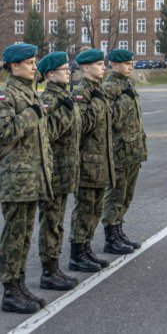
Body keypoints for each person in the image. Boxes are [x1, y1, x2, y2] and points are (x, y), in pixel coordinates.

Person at [0, 43, 53, 313]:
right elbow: (3, 135)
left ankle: (21, 286)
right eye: (29, 62)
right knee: (14, 235)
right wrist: (30, 114)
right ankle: (10, 291)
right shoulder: (5, 96)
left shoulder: (28, 93)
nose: (35, 67)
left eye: (35, 62)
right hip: (16, 179)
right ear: (14, 66)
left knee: (24, 236)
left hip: (31, 178)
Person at [36, 52, 80, 291]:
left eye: (67, 69)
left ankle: (54, 268)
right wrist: (64, 111)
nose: (68, 72)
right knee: (51, 221)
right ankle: (49, 270)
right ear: (51, 75)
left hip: (64, 169)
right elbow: (48, 134)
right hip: (53, 170)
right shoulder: (51, 100)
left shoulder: (63, 96)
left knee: (57, 220)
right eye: (63, 69)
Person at [68, 49, 116, 272]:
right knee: (85, 208)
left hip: (100, 159)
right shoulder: (81, 93)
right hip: (87, 161)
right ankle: (77, 253)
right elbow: (82, 126)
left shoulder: (97, 91)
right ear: (85, 68)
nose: (103, 67)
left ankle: (86, 248)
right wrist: (97, 104)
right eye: (98, 64)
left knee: (95, 209)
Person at [101, 49, 148, 254]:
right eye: (127, 64)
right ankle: (111, 236)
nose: (130, 67)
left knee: (126, 195)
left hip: (132, 150)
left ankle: (119, 229)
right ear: (114, 65)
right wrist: (126, 100)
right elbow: (110, 119)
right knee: (115, 195)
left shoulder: (126, 85)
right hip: (118, 151)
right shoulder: (110, 87)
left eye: (131, 63)